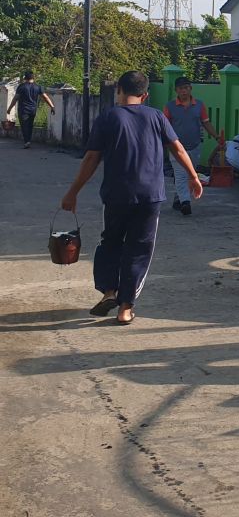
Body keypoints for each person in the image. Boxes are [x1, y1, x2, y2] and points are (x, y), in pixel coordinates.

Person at [60, 70, 203, 326]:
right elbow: (178, 148)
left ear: (119, 91)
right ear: (145, 95)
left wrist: (73, 192)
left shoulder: (108, 117)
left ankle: (109, 291)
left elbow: (92, 158)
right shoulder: (157, 116)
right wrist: (193, 175)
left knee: (110, 241)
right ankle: (125, 308)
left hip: (116, 195)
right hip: (150, 196)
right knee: (139, 248)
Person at [162, 76, 221, 216]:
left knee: (190, 173)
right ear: (176, 90)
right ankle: (185, 203)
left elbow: (206, 123)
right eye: (181, 88)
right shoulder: (169, 107)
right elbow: (164, 126)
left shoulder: (199, 105)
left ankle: (179, 199)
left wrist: (216, 136)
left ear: (191, 89)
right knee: (181, 175)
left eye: (187, 88)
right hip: (175, 147)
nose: (184, 91)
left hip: (194, 146)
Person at [6, 71, 55, 149]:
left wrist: (9, 109)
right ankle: (28, 140)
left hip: (23, 109)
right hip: (33, 109)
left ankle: (27, 141)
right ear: (33, 78)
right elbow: (45, 97)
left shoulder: (21, 87)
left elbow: (15, 98)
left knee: (24, 125)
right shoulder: (38, 87)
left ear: (25, 78)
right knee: (30, 125)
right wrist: (52, 106)